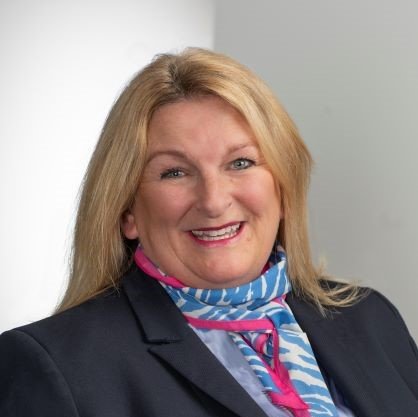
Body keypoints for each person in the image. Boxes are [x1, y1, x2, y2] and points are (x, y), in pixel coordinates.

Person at [0, 48, 417, 417]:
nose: (214, 201)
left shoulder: (370, 319)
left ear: (283, 188)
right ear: (127, 210)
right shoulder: (56, 366)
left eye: (240, 163)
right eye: (174, 172)